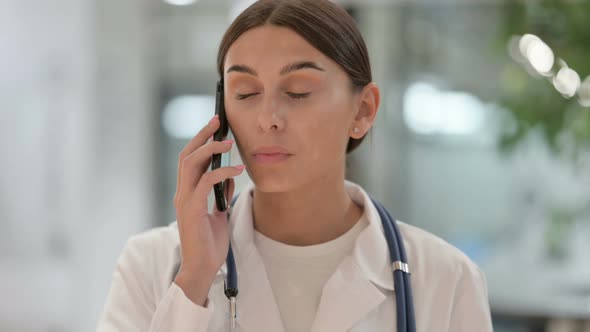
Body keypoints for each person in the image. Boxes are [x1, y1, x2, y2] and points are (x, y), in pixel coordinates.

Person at [97, 0, 493, 331]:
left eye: (298, 92)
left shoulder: (446, 280)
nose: (268, 117)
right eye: (246, 93)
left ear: (364, 109)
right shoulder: (152, 265)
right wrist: (195, 279)